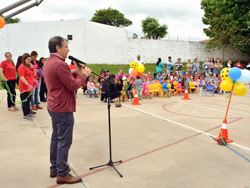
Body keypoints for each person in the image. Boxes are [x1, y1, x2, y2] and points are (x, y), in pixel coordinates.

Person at [43, 36, 92, 184]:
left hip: (54, 105)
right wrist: (84, 75)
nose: (68, 49)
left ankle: (55, 168)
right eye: (66, 46)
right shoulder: (60, 64)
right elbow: (72, 86)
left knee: (56, 138)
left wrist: (76, 72)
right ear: (58, 48)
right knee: (64, 140)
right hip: (62, 107)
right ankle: (62, 173)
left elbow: (63, 80)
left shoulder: (49, 62)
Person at [18, 53, 35, 121]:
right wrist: (27, 84)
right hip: (24, 87)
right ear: (24, 59)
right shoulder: (21, 67)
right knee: (25, 101)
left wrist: (33, 67)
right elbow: (21, 77)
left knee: (28, 101)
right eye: (28, 59)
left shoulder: (29, 66)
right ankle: (25, 115)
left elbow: (34, 74)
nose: (29, 61)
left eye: (30, 59)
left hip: (30, 87)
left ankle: (28, 113)